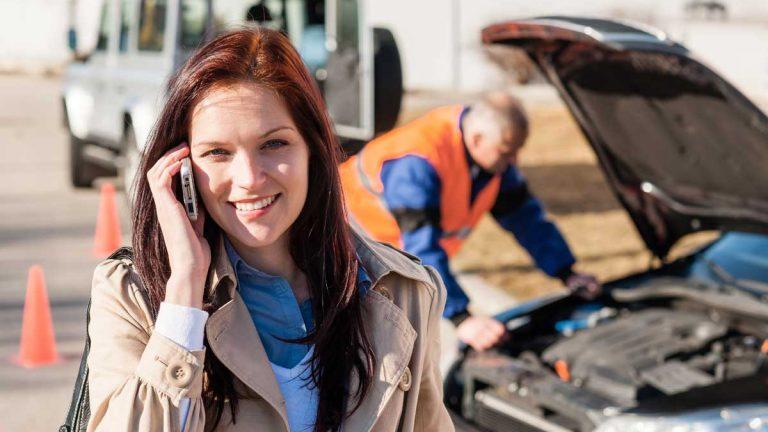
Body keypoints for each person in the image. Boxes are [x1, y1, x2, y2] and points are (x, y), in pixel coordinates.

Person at [86, 28, 453, 432]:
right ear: (183, 171)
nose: (248, 178)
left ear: (313, 150)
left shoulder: (405, 291)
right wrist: (184, 297)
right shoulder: (134, 296)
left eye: (273, 145)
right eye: (218, 153)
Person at [340, 92, 600, 352]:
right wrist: (461, 318)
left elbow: (528, 221)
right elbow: (420, 250)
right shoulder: (418, 164)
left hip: (393, 257)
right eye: (507, 152)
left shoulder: (494, 160)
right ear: (476, 139)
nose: (514, 162)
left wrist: (567, 272)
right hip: (346, 247)